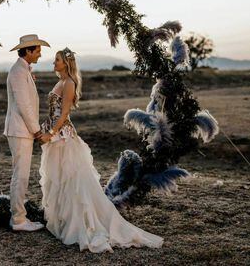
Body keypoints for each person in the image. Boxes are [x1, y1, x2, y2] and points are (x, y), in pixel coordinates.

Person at [38, 47, 164, 252]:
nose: (54, 62)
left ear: (66, 63)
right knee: (60, 179)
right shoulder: (60, 81)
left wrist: (49, 134)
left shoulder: (69, 83)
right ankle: (64, 222)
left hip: (63, 138)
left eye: (57, 60)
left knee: (72, 181)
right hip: (56, 137)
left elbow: (64, 115)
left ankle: (80, 224)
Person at [3, 34, 50, 232]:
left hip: (21, 130)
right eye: (38, 50)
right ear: (29, 51)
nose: (40, 54)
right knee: (20, 176)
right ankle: (19, 220)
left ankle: (19, 217)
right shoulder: (18, 72)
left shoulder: (23, 70)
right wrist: (37, 131)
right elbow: (24, 106)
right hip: (20, 130)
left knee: (20, 175)